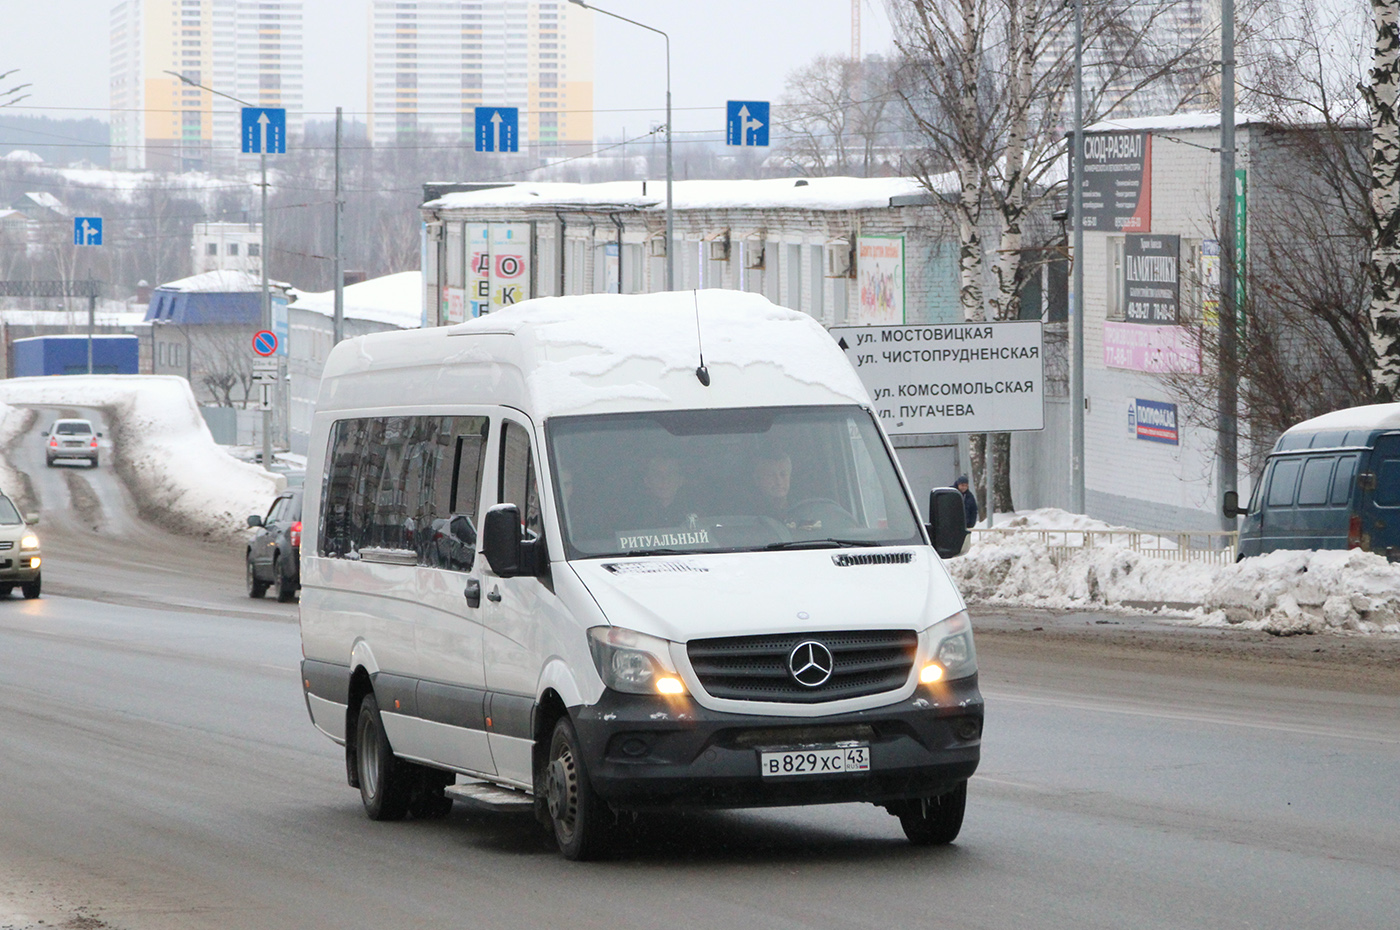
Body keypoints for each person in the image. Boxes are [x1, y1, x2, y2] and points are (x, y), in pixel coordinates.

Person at [631, 454, 690, 527]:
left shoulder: (696, 515)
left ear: (681, 480)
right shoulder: (632, 517)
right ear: (647, 481)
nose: (664, 480)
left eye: (670, 474)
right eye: (657, 474)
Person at [752, 451, 793, 519]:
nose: (779, 482)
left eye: (783, 474)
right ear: (757, 479)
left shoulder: (804, 508)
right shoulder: (747, 513)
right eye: (770, 475)